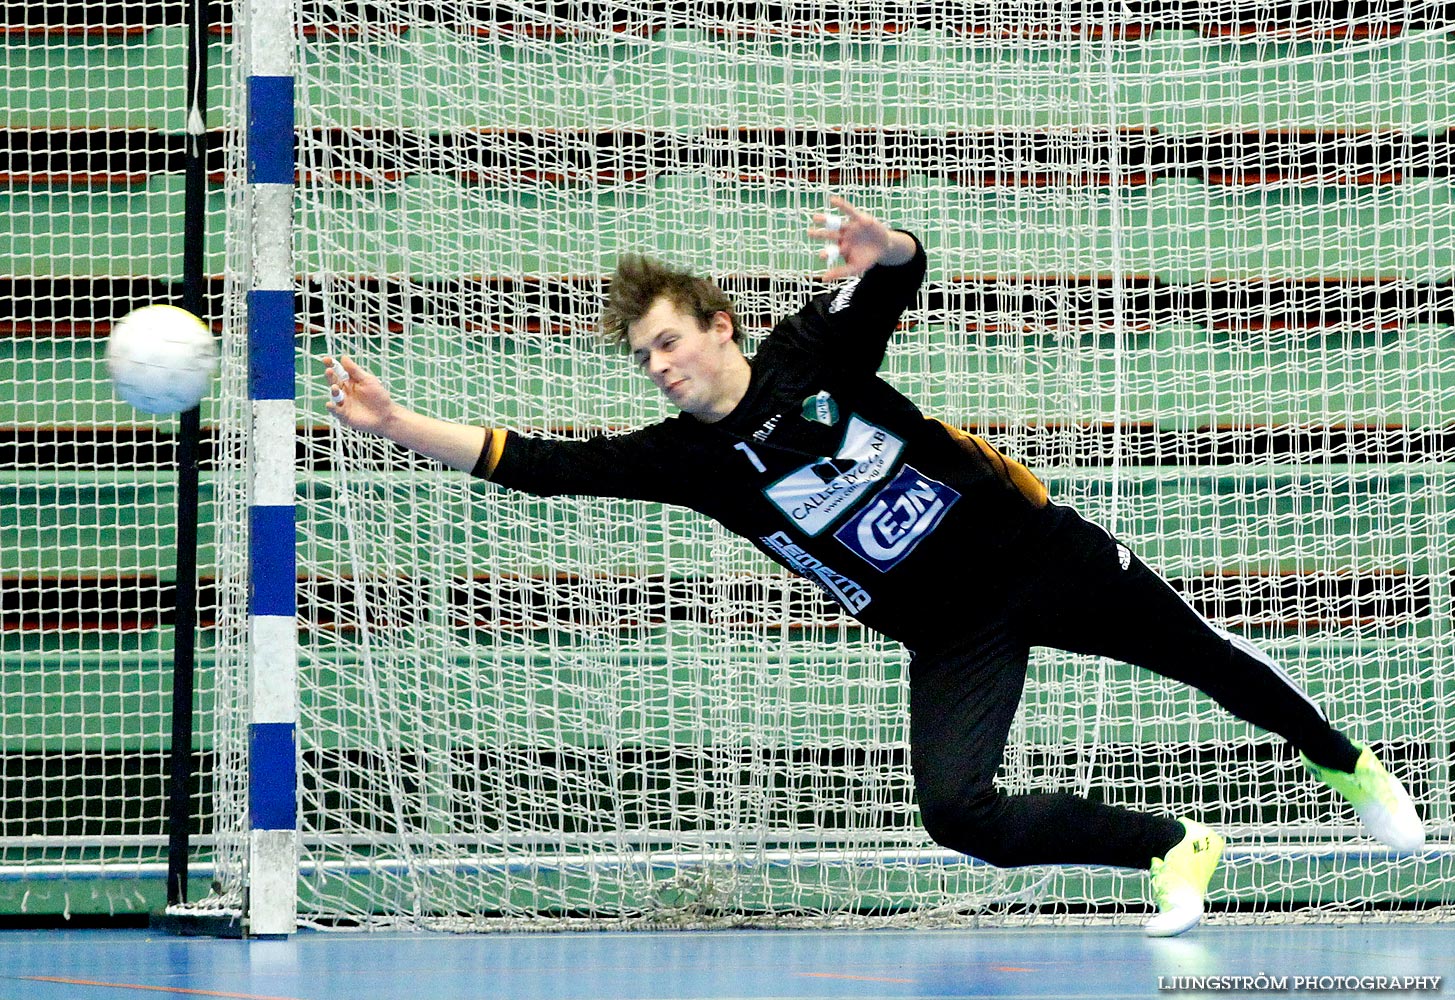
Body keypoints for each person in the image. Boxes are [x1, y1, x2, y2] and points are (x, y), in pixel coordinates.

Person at [321, 196, 1425, 937]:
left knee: (1202, 657)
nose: (657, 366)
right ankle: (1174, 848)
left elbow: (903, 270)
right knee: (958, 812)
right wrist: (397, 420)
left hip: (1029, 550)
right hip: (947, 632)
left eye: (668, 340)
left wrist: (883, 245)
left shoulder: (813, 350)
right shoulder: (687, 460)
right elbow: (539, 467)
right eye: (643, 355)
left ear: (721, 324)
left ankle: (1346, 763)